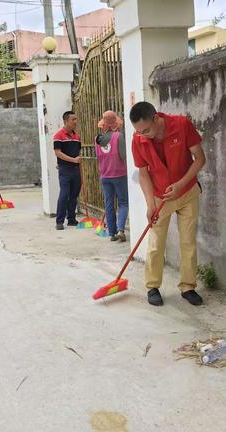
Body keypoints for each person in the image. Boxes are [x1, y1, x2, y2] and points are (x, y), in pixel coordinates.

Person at [130, 101, 206, 307]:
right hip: (159, 197)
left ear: (156, 118)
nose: (143, 135)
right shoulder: (138, 139)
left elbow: (200, 158)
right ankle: (152, 286)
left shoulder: (181, 125)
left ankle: (188, 287)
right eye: (138, 132)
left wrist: (181, 185)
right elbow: (144, 174)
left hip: (187, 192)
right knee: (156, 243)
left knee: (188, 241)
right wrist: (150, 205)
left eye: (146, 130)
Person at [95, 110, 128, 242]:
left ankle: (112, 233)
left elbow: (98, 158)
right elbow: (123, 155)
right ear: (115, 123)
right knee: (123, 202)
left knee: (109, 204)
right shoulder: (118, 136)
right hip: (119, 174)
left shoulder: (96, 139)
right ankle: (121, 230)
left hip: (105, 175)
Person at [53, 111, 82, 230]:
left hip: (76, 170)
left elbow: (77, 153)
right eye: (73, 119)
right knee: (64, 194)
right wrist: (73, 160)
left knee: (74, 195)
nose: (75, 122)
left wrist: (78, 163)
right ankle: (59, 221)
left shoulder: (77, 136)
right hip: (65, 170)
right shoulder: (58, 136)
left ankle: (71, 219)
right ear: (65, 121)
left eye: (76, 119)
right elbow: (58, 153)